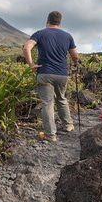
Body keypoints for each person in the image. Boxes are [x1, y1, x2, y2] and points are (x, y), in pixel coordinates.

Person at [23, 11, 79, 143]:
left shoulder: (40, 34)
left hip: (45, 73)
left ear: (47, 20)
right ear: (60, 22)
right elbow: (75, 56)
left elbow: (26, 48)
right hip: (62, 74)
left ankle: (50, 134)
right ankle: (68, 125)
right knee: (62, 98)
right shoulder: (67, 36)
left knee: (48, 103)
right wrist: (75, 64)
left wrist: (31, 65)